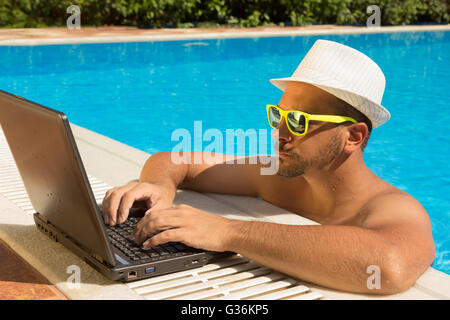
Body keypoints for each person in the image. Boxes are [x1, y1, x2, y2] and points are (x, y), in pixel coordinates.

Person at [101, 40, 434, 294]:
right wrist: (160, 185)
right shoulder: (279, 177)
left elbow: (389, 265)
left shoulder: (395, 209)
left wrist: (228, 231)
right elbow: (176, 160)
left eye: (299, 121)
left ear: (353, 136)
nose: (281, 133)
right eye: (280, 115)